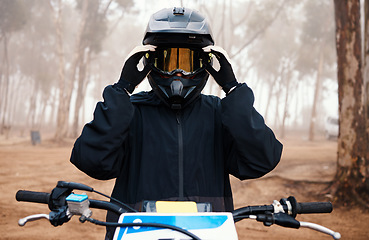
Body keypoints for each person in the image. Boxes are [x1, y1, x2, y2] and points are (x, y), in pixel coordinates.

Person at [70, 7, 283, 239]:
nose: (178, 74)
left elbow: (263, 159)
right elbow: (91, 161)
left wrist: (232, 89)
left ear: (206, 65)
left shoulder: (220, 114)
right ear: (150, 64)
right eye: (168, 61)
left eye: (187, 62)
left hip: (207, 233)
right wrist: (122, 89)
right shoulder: (131, 113)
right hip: (137, 233)